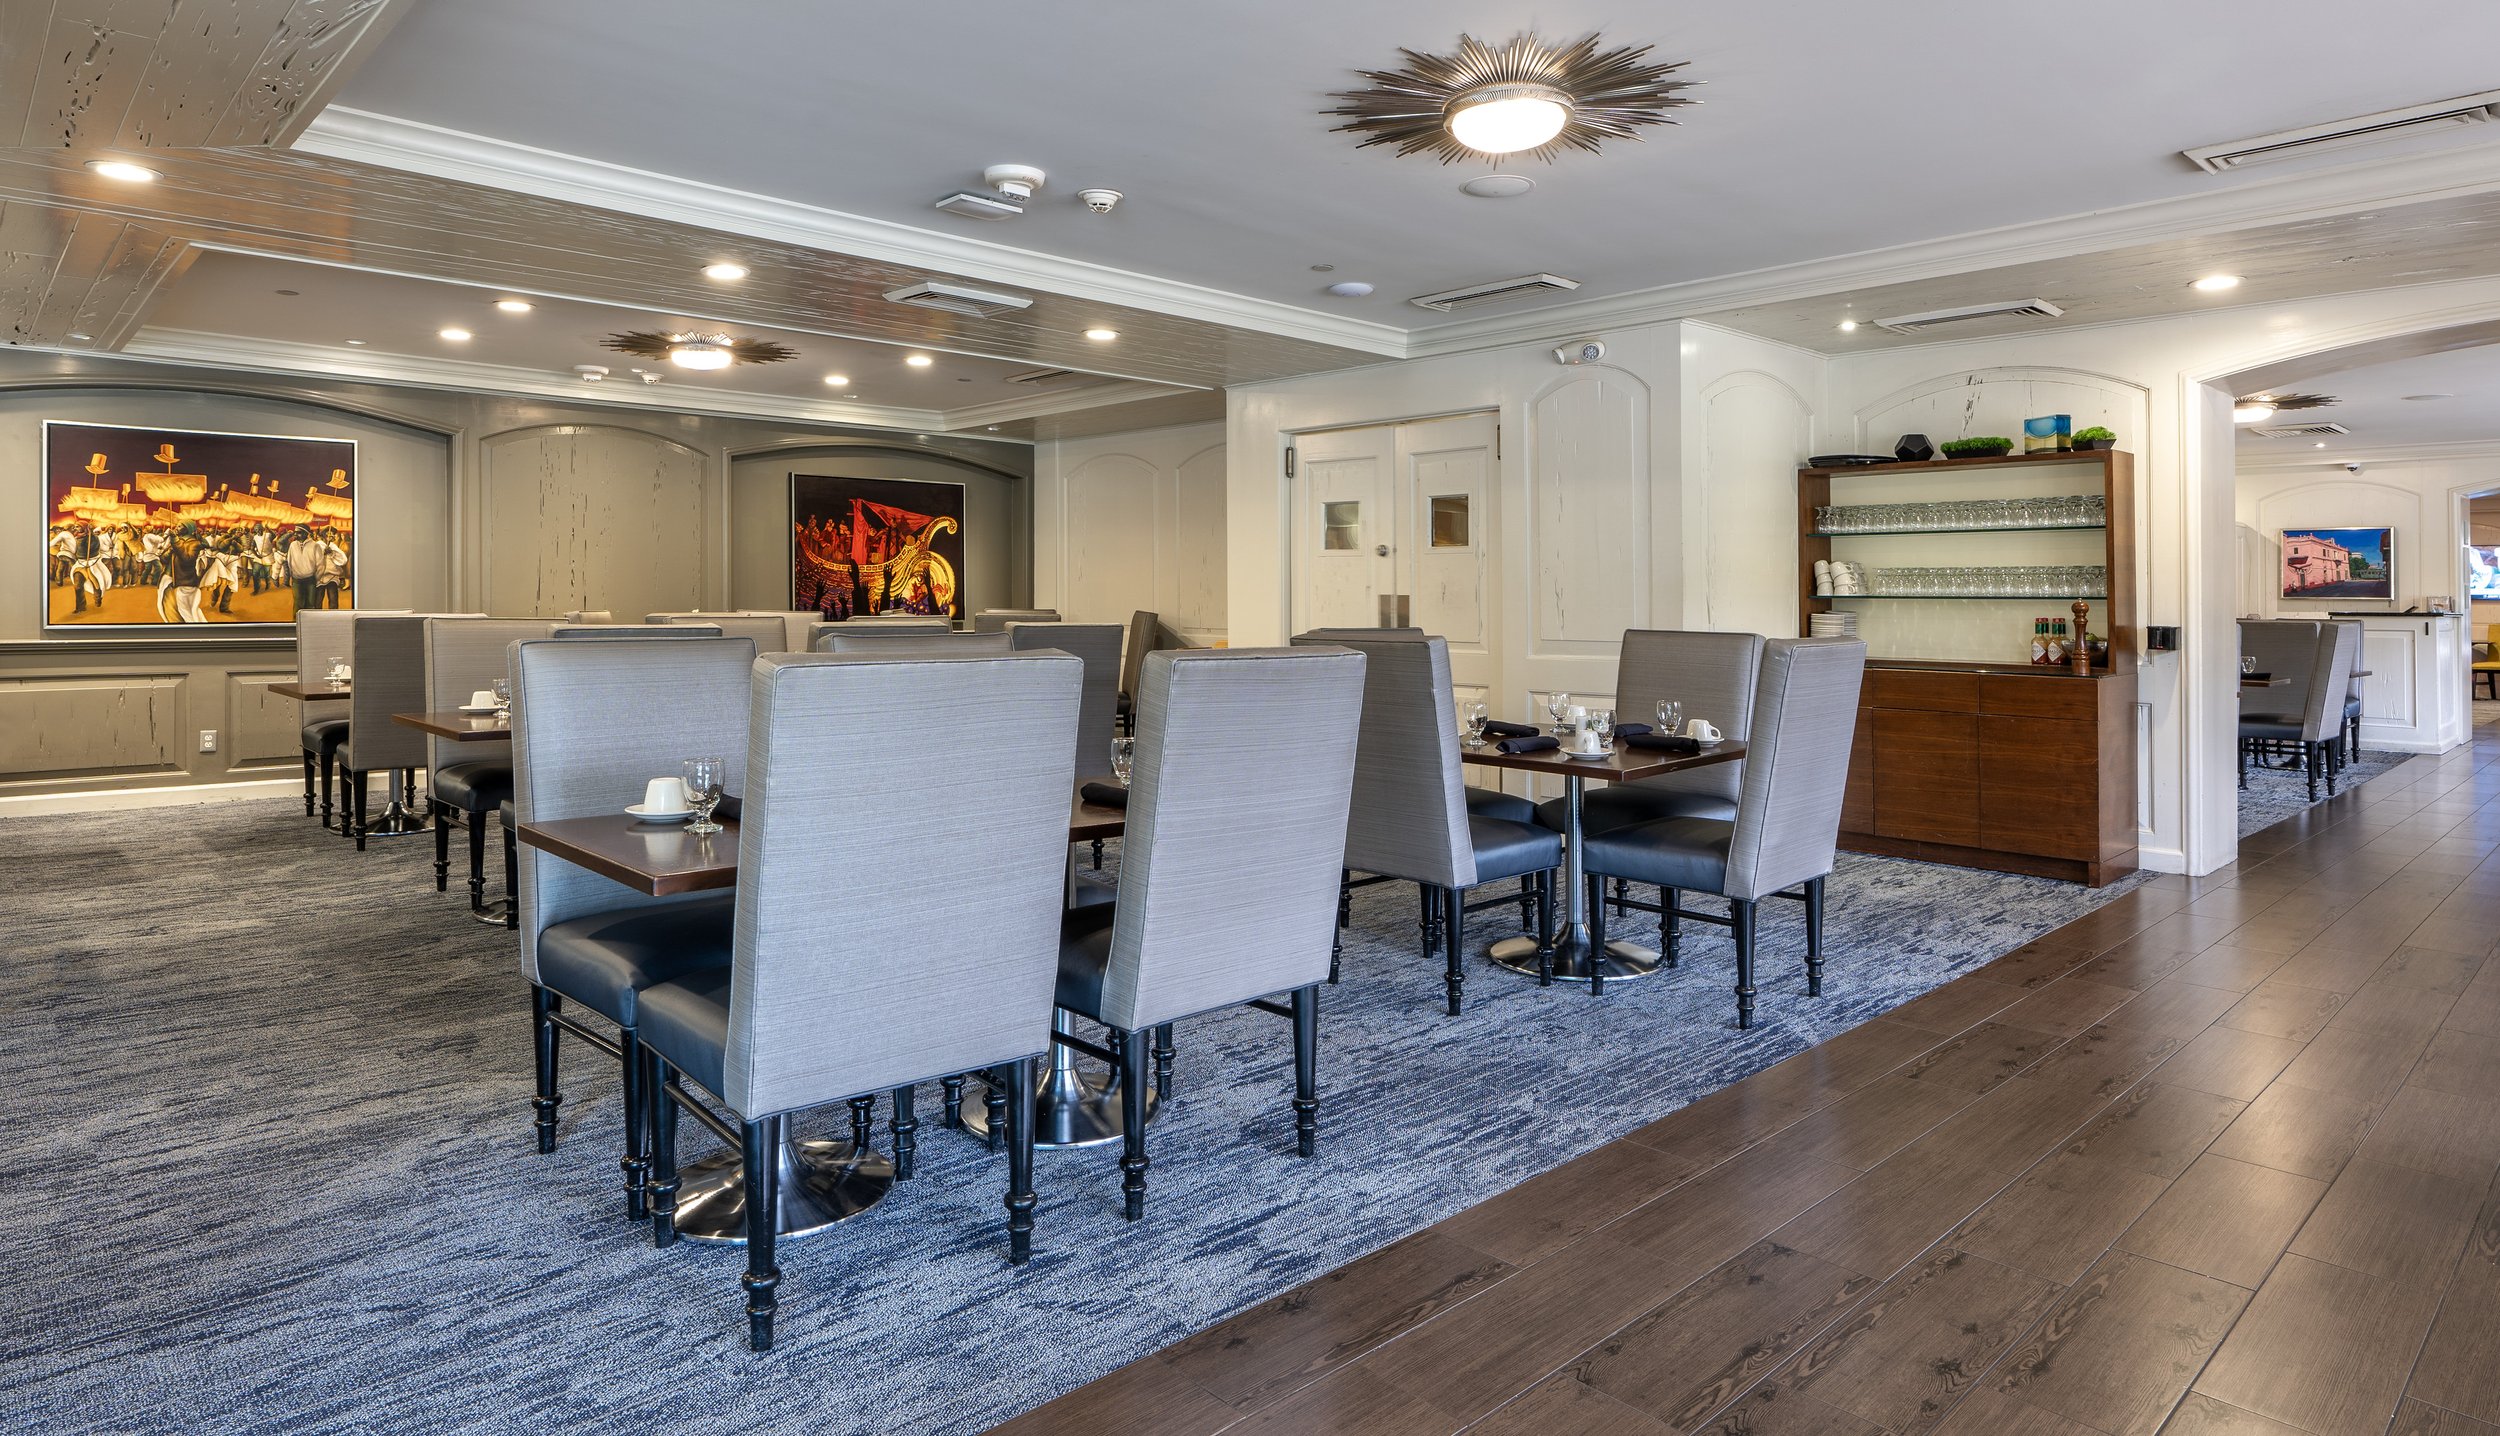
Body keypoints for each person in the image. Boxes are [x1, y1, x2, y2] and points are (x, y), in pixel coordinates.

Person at [284, 526, 320, 613]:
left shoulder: (315, 545)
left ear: (305, 533)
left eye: (298, 532)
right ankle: (295, 624)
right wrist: (292, 575)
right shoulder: (292, 545)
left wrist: (317, 578)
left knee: (310, 605)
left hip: (310, 580)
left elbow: (320, 564)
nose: (295, 534)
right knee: (298, 604)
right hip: (297, 580)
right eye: (295, 532)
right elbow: (289, 561)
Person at [315, 527, 349, 609]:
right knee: (318, 600)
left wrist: (332, 553)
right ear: (324, 535)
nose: (332, 535)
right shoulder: (317, 545)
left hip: (332, 577)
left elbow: (343, 560)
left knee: (333, 600)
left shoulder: (333, 546)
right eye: (329, 534)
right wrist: (323, 553)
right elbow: (313, 559)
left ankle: (333, 617)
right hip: (319, 577)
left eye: (333, 534)